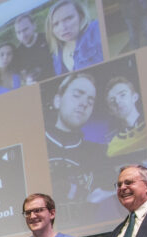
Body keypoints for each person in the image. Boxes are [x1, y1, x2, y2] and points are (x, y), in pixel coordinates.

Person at [44, 73, 112, 225]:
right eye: (77, 95)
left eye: (90, 101)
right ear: (57, 100)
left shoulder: (99, 153)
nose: (84, 103)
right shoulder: (34, 148)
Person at [46, 0, 103, 75]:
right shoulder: (56, 55)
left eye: (68, 18)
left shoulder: (95, 30)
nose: (63, 27)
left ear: (81, 16)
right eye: (56, 24)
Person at [104, 77, 147, 161]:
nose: (117, 101)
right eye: (112, 100)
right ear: (110, 111)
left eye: (122, 95)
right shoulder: (113, 145)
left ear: (135, 97)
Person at [13, 13, 55, 83]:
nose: (22, 35)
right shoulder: (18, 53)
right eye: (18, 32)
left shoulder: (48, 38)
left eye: (25, 29)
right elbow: (23, 76)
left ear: (34, 26)